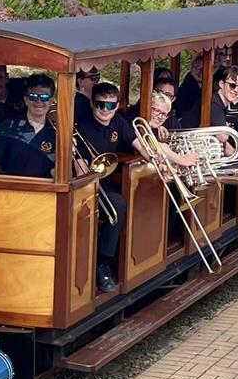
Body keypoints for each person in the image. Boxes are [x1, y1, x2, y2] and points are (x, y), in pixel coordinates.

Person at [76, 82, 196, 292]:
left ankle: (103, 263)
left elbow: (141, 144)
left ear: (117, 105)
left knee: (118, 207)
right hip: (82, 182)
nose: (105, 110)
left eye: (110, 106)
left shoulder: (119, 122)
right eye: (100, 105)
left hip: (104, 182)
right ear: (92, 104)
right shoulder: (81, 125)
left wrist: (158, 161)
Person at [0, 73, 57, 179]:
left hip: (44, 192)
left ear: (51, 101)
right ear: (26, 100)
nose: (39, 101)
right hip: (8, 190)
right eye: (33, 97)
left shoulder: (57, 132)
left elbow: (59, 172)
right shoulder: (8, 127)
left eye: (44, 97)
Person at [174, 53, 207, 129]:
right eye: (195, 68)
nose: (198, 72)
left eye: (202, 69)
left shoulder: (210, 85)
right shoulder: (186, 87)